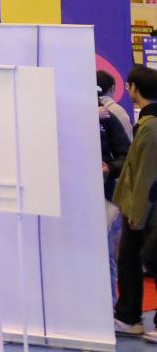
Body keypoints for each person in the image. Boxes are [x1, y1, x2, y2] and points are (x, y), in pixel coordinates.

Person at [113, 66, 157, 336]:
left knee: (144, 261)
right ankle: (128, 317)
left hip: (145, 211)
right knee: (129, 262)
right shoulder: (148, 123)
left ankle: (129, 317)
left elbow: (146, 176)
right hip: (140, 209)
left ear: (133, 88)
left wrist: (136, 216)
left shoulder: (151, 128)